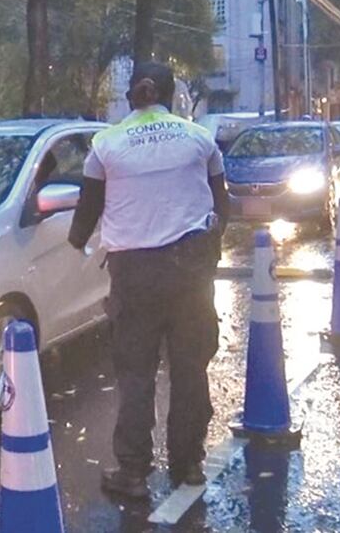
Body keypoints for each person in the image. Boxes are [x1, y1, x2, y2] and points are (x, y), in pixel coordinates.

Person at [68, 62, 229, 500]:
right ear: (171, 93)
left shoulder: (105, 144)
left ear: (130, 97)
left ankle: (134, 472)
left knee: (136, 374)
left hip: (134, 274)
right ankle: (188, 464)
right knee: (190, 368)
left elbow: (87, 208)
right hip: (191, 273)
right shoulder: (199, 138)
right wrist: (212, 243)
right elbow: (221, 200)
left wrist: (76, 243)